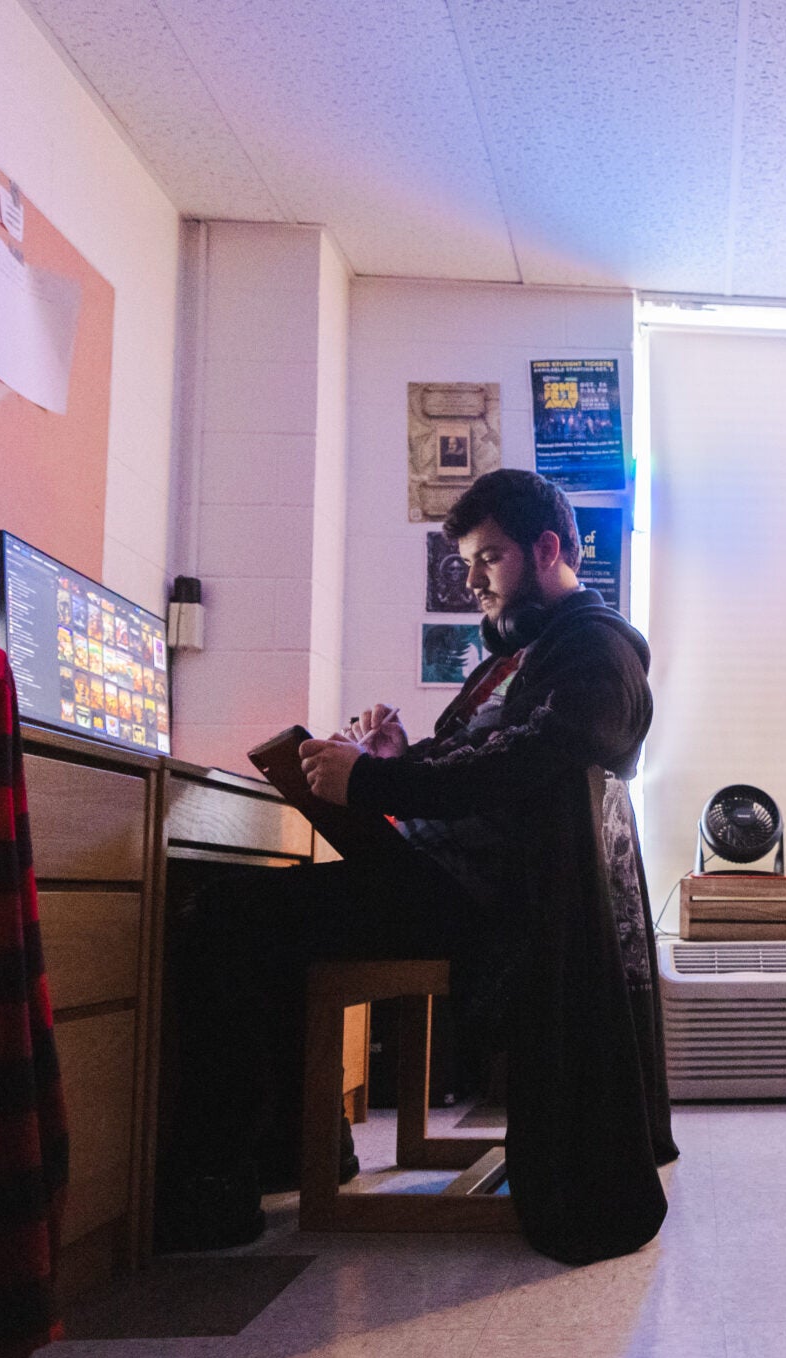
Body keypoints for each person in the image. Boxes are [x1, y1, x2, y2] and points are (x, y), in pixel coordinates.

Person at [160, 469, 674, 1264]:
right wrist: (398, 757)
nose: (474, 585)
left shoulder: (599, 652)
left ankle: (222, 1188)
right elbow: (481, 758)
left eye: (488, 561)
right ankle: (297, 1154)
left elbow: (525, 759)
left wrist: (373, 780)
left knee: (226, 915)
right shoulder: (528, 651)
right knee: (242, 910)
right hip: (457, 887)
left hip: (495, 913)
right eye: (467, 566)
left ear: (547, 549)